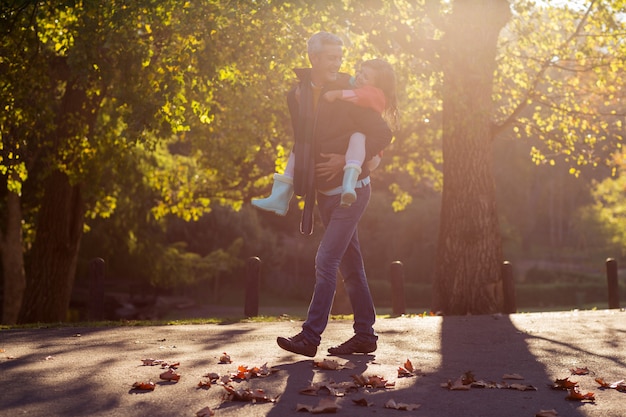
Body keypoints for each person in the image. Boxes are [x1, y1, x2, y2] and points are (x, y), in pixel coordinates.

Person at [266, 31, 393, 357]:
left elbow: (382, 132)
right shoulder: (299, 94)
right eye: (331, 57)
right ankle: (365, 335)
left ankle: (310, 338)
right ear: (314, 58)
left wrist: (346, 160)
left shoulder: (347, 91)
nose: (337, 63)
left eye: (339, 57)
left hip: (354, 190)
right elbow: (302, 138)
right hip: (324, 195)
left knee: (326, 260)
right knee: (351, 269)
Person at [251, 58, 397, 213]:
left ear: (377, 84)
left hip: (370, 153)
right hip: (355, 148)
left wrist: (336, 94)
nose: (359, 76)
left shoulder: (374, 93)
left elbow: (360, 97)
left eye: (365, 76)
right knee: (301, 146)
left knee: (358, 136)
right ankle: (280, 196)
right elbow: (346, 80)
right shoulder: (359, 85)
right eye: (360, 71)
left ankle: (349, 185)